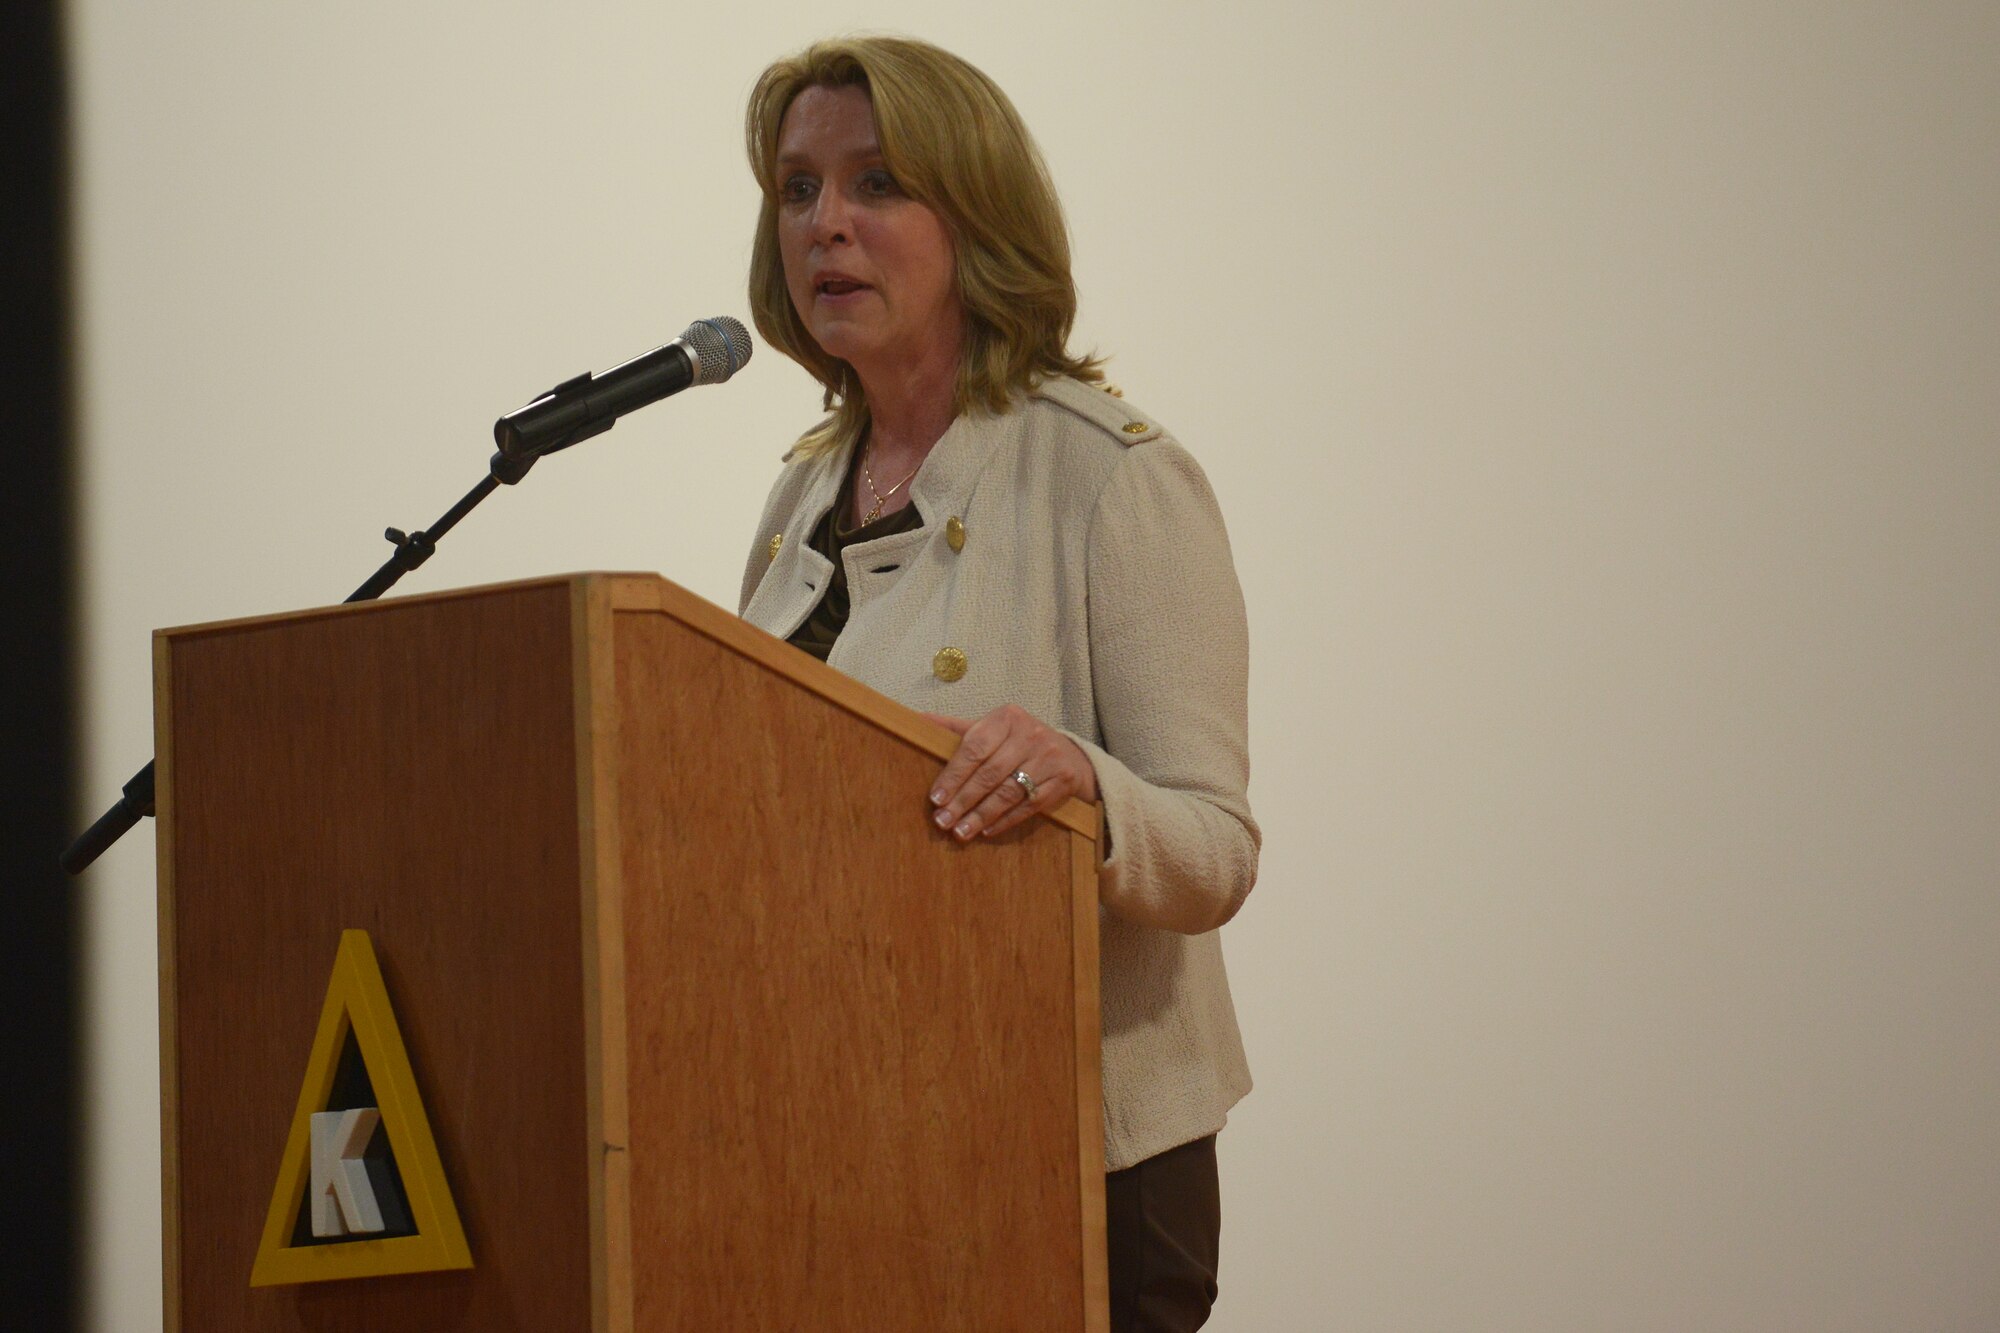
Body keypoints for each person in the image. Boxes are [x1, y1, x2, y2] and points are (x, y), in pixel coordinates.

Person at [738, 36, 1258, 1332]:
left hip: (1077, 1161)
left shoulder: (1109, 474)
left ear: (977, 215)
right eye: (798, 190)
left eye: (875, 184)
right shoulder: (802, 493)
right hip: (854, 1142)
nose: (827, 226)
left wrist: (1087, 783)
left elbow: (1215, 846)